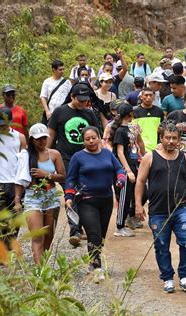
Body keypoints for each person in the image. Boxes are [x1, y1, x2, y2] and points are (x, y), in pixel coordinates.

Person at [134, 121, 186, 293]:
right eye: (167, 138)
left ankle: (184, 276)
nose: (170, 141)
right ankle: (168, 278)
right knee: (161, 245)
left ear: (179, 140)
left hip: (181, 208)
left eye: (174, 138)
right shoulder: (150, 157)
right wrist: (139, 205)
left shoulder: (185, 157)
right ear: (161, 138)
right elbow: (140, 181)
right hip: (158, 211)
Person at [65, 126, 126, 283]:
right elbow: (70, 179)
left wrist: (120, 178)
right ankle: (97, 267)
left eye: (94, 138)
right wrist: (69, 197)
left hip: (106, 200)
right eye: (87, 139)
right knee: (94, 233)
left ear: (100, 138)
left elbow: (119, 169)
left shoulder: (107, 154)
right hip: (86, 201)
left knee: (102, 236)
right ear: (83, 141)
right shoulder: (78, 157)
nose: (91, 141)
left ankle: (93, 261)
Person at [47, 83, 100, 246]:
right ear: (72, 97)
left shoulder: (89, 113)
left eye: (86, 100)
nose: (84, 103)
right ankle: (75, 230)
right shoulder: (60, 112)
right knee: (71, 191)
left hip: (85, 158)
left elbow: (96, 136)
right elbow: (51, 135)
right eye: (80, 100)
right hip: (65, 158)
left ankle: (83, 226)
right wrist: (46, 157)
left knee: (83, 193)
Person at [14, 123, 65, 264]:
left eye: (44, 138)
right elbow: (19, 179)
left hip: (50, 195)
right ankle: (39, 270)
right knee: (37, 236)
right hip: (32, 197)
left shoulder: (54, 154)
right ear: (32, 140)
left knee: (49, 235)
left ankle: (43, 264)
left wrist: (47, 175)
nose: (42, 141)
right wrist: (17, 200)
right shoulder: (26, 155)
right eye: (38, 139)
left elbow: (62, 176)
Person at [0, 106, 26, 259]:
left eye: (5, 122)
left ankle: (7, 248)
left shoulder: (19, 138)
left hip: (15, 183)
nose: (3, 125)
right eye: (0, 122)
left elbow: (24, 160)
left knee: (15, 219)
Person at [111, 103, 145, 237]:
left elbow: (137, 145)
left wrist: (144, 156)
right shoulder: (120, 131)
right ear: (129, 114)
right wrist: (127, 170)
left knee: (143, 192)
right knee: (124, 197)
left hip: (134, 165)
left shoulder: (131, 129)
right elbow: (120, 152)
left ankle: (129, 216)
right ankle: (119, 226)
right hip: (124, 169)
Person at [40, 60, 73, 124]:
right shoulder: (47, 82)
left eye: (63, 69)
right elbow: (43, 97)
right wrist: (47, 111)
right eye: (60, 70)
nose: (62, 71)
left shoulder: (67, 82)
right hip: (51, 112)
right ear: (54, 70)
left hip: (64, 112)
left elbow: (71, 97)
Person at [133, 87, 165, 152]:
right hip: (140, 147)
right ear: (141, 97)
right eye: (146, 95)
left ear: (154, 97)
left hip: (156, 147)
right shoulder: (135, 111)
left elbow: (162, 128)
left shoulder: (159, 111)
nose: (148, 97)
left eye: (150, 95)